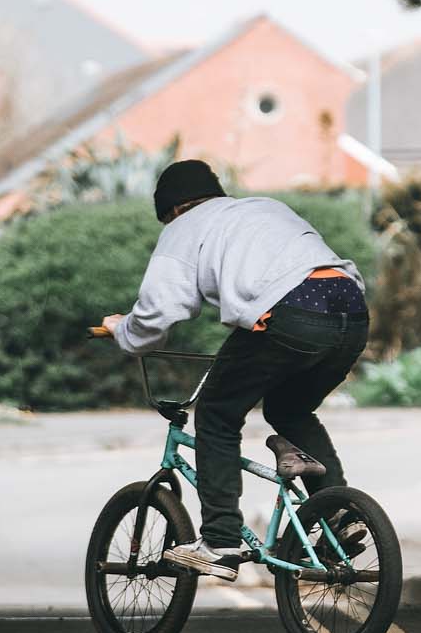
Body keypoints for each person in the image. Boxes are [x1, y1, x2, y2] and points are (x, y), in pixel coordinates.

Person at [101, 160, 367, 580]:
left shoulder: (183, 226)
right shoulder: (262, 208)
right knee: (291, 409)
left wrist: (123, 331)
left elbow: (159, 310)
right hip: (350, 310)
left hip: (291, 309)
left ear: (173, 210)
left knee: (217, 413)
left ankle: (220, 541)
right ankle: (337, 513)